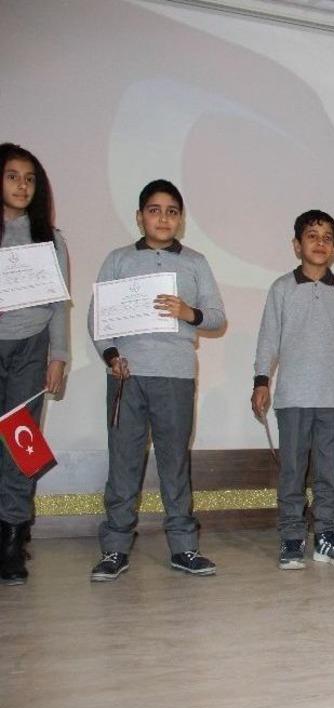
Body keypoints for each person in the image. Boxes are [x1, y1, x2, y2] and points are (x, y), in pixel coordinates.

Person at [87, 179, 225, 582]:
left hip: (176, 376)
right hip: (127, 377)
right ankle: (115, 549)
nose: (163, 218)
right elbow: (98, 318)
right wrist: (111, 356)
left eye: (171, 211)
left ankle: (183, 547)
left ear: (180, 220)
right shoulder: (118, 260)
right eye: (154, 210)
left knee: (175, 463)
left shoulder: (196, 262)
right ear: (139, 216)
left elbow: (217, 317)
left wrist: (188, 312)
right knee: (124, 463)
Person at [252, 210, 334, 570]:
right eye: (312, 236)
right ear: (297, 245)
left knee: (328, 471)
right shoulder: (281, 288)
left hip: (332, 399)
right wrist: (261, 381)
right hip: (292, 398)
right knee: (292, 471)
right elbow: (268, 339)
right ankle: (292, 536)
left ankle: (327, 536)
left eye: (327, 238)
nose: (320, 243)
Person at [0, 143, 70, 585]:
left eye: (29, 179)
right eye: (13, 176)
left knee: (20, 444)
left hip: (32, 345)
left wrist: (59, 355)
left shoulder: (50, 238)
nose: (22, 186)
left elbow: (59, 303)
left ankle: (12, 538)